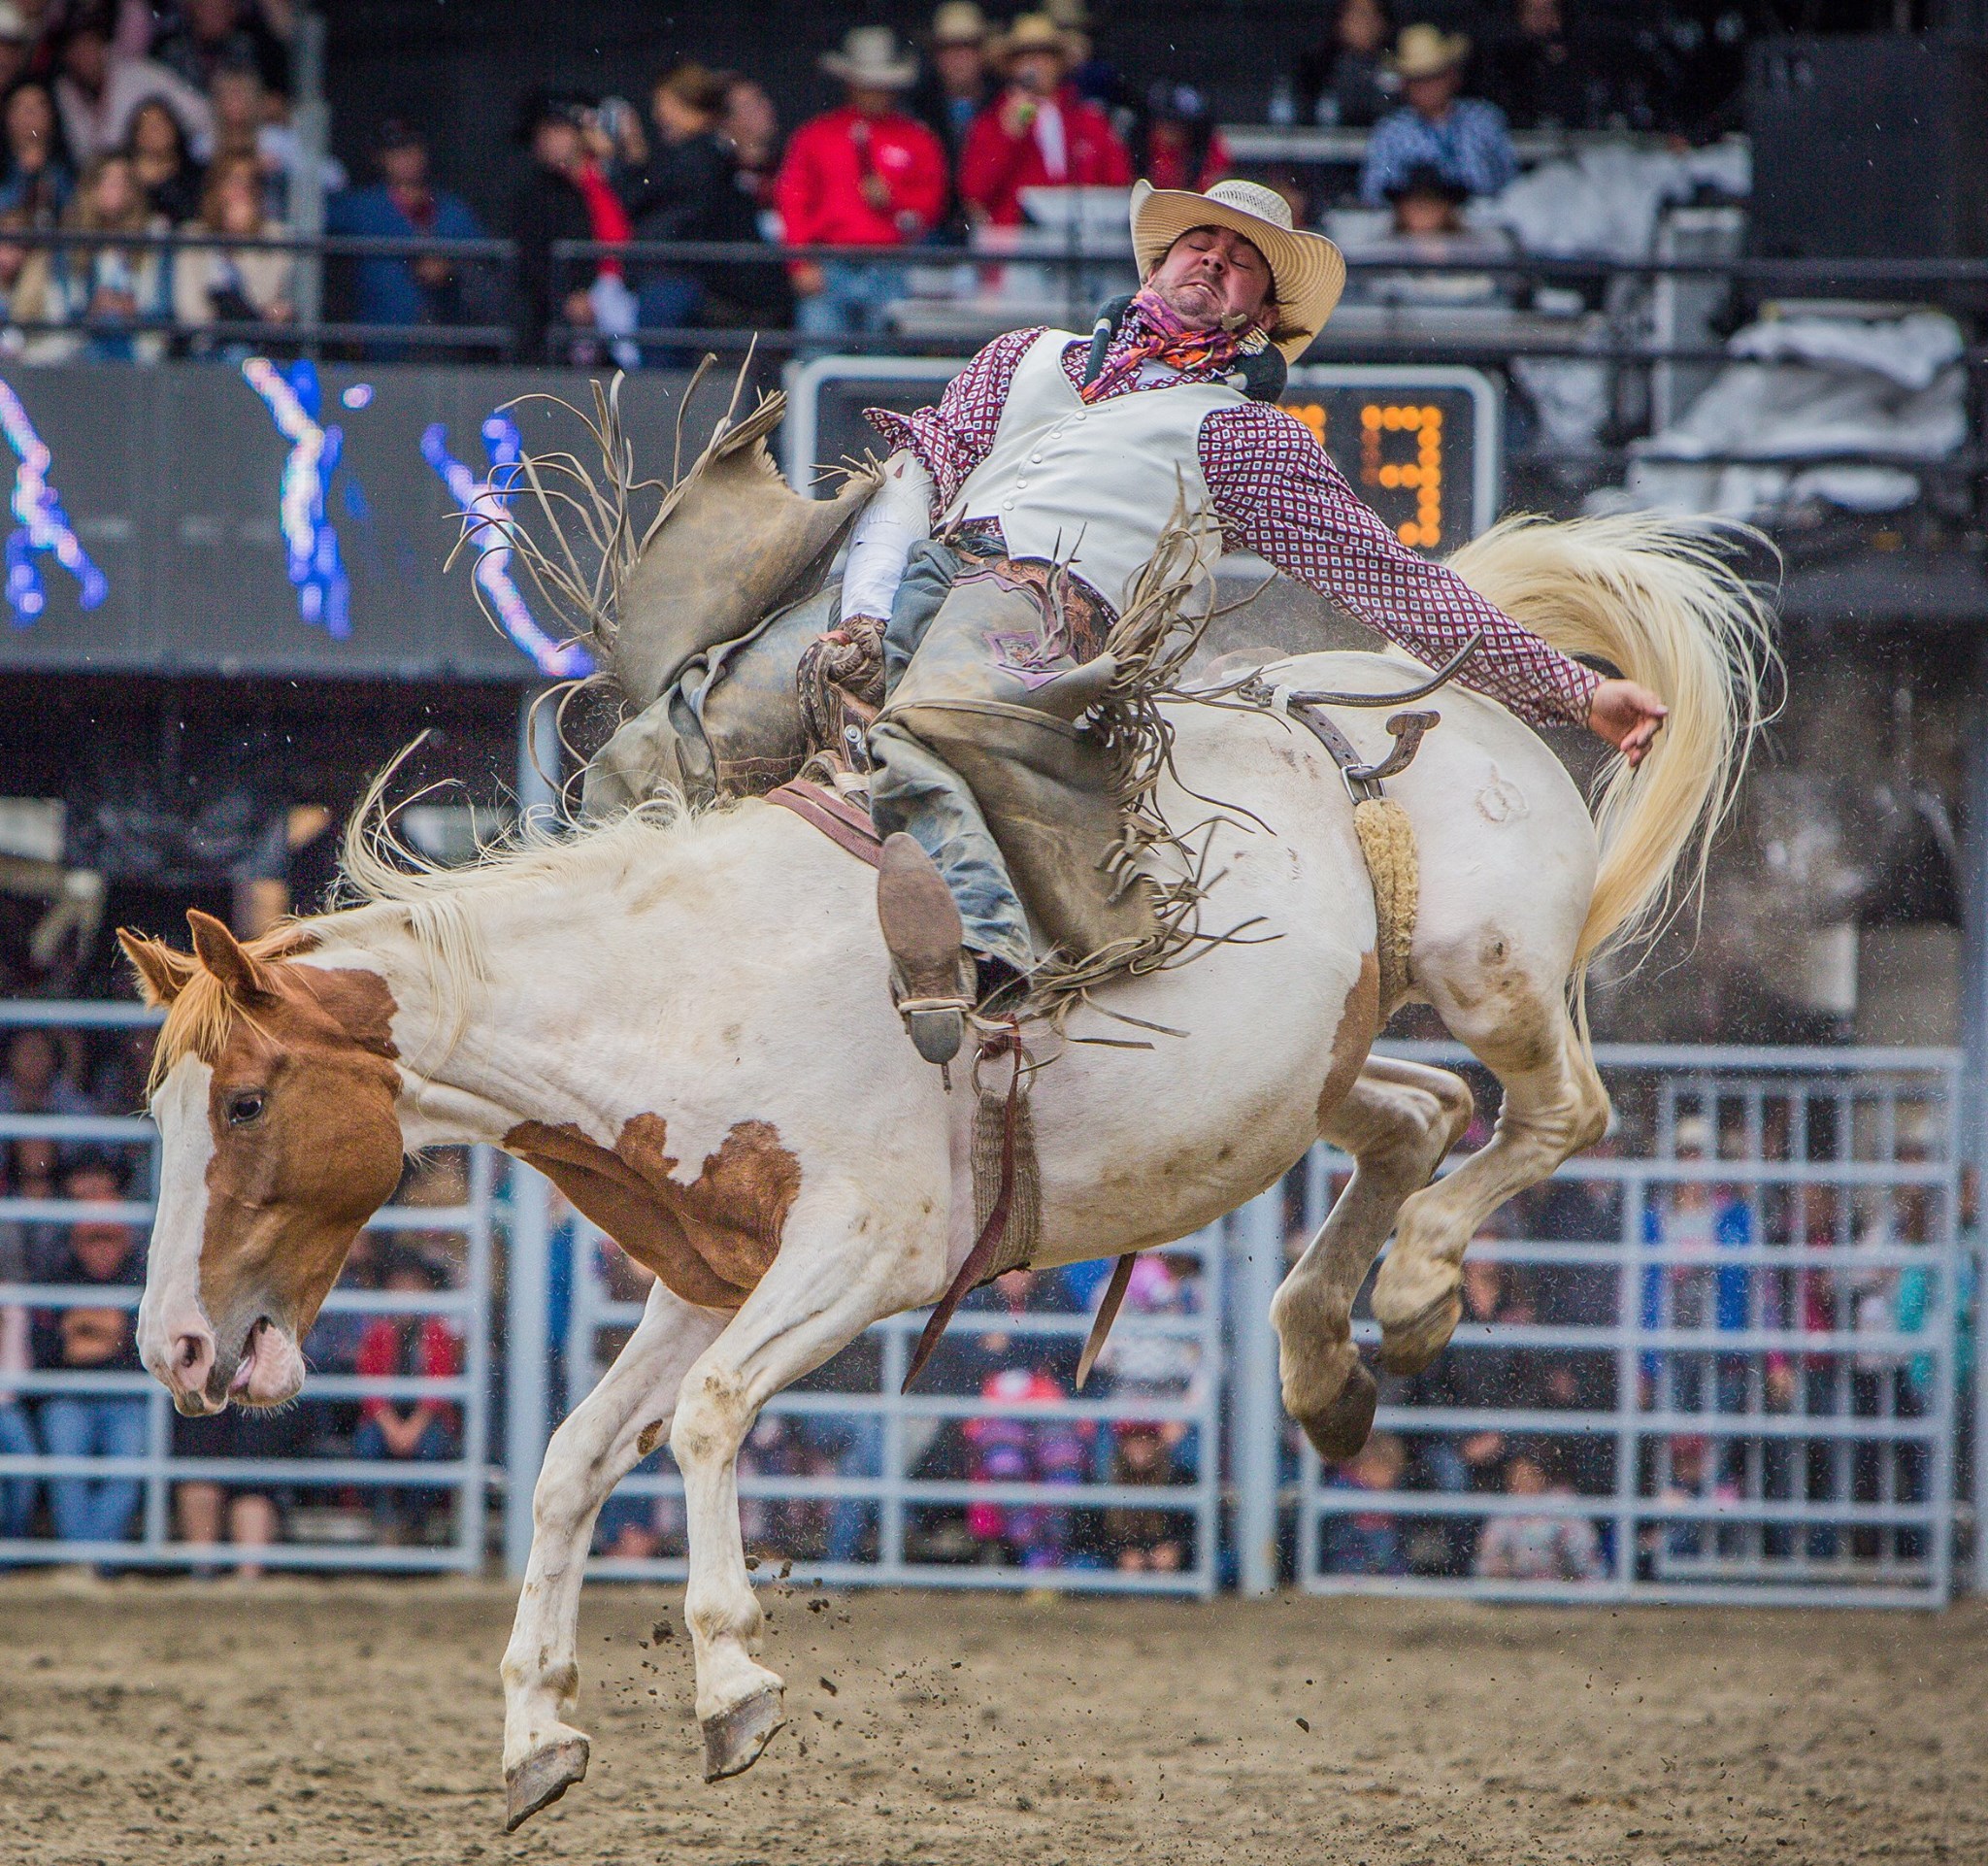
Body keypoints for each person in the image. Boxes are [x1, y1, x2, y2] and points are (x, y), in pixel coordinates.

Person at [839, 177, 1666, 1065]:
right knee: (721, 691)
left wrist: (1578, 692)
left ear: (1259, 315)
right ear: (1159, 264)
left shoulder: (1246, 436)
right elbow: (916, 475)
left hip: (1049, 616)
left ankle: (981, 945)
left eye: (1242, 264)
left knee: (935, 715)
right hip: (914, 576)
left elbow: (1391, 584)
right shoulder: (1022, 353)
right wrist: (860, 611)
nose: (1215, 262)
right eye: (1201, 245)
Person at [775, 28, 945, 344]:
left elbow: (931, 203)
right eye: (868, 85)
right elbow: (792, 200)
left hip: (891, 264)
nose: (876, 93)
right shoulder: (816, 136)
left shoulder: (917, 139)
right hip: (829, 264)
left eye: (882, 85)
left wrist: (893, 199)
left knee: (885, 363)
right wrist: (799, 263)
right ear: (851, 84)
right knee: (820, 352)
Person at [620, 61, 785, 342]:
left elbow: (635, 198)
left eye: (664, 103)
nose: (658, 115)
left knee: (665, 373)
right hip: (697, 283)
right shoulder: (707, 153)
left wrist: (632, 156)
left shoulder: (700, 155)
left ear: (686, 103)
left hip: (682, 279)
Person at [34, 1157, 147, 1551]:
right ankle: (87, 1561)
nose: (101, 1249)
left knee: (129, 1469)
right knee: (65, 1468)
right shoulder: (57, 1270)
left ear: (126, 1238)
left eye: (109, 1238)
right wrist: (112, 1334)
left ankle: (86, 1561)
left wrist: (84, 1333)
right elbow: (46, 1350)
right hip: (69, 1396)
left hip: (128, 1397)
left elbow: (142, 1350)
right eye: (92, 1239)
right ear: (77, 1240)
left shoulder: (142, 1272)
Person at [956, 13, 1130, 229]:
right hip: (1017, 247)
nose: (1036, 63)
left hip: (1084, 244)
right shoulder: (990, 123)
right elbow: (975, 194)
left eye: (1045, 54)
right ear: (1011, 66)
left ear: (1060, 62)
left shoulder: (1089, 120)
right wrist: (1007, 137)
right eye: (1025, 55)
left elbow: (1119, 185)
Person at [324, 118, 483, 341]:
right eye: (395, 152)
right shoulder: (362, 207)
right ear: (380, 158)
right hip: (383, 340)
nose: (405, 159)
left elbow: (484, 263)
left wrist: (450, 268)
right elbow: (313, 220)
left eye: (411, 149)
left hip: (445, 337)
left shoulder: (452, 210)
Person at [511, 91, 638, 366]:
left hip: (628, 285)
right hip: (573, 302)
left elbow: (637, 216)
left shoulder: (608, 174)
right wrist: (568, 295)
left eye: (558, 130)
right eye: (543, 134)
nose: (550, 141)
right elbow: (533, 258)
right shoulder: (538, 192)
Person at [352, 1246, 462, 1543]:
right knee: (367, 1447)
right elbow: (369, 1385)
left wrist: (412, 1428)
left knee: (432, 1449)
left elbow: (440, 1384)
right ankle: (385, 1524)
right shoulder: (378, 1331)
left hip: (425, 1421)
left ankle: (414, 1525)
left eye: (413, 1286)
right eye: (399, 1286)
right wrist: (392, 1426)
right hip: (385, 1420)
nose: (406, 1294)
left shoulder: (437, 1331)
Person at [1358, 24, 1517, 207]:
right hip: (1412, 229)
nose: (1427, 87)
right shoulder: (1390, 131)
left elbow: (1512, 186)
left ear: (1453, 75)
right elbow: (1375, 196)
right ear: (1405, 85)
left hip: (1481, 225)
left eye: (1435, 76)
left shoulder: (1484, 119)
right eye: (1418, 79)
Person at [171, 147, 291, 350]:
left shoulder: (274, 235)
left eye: (248, 183)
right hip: (205, 344)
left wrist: (242, 240)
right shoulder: (192, 235)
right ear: (216, 188)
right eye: (232, 181)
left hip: (256, 343)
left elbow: (265, 300)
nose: (240, 190)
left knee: (240, 352)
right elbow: (188, 309)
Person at [52, 17, 211, 170]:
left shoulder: (138, 73)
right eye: (76, 51)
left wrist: (189, 156)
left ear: (103, 47)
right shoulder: (64, 92)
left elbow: (200, 112)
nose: (85, 57)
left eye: (89, 47)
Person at [57, 146, 168, 359]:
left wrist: (131, 310)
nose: (115, 188)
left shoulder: (154, 234)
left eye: (122, 181)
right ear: (92, 188)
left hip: (141, 348)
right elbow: (65, 307)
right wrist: (94, 308)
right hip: (85, 348)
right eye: (107, 180)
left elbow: (162, 305)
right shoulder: (72, 240)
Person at [909, 0, 991, 220]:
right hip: (936, 225)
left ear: (982, 53)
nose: (958, 59)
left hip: (991, 222)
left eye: (967, 48)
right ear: (935, 55)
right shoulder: (917, 105)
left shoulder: (1001, 101)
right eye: (947, 49)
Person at [1473, 1448, 1605, 1581]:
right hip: (1516, 1590)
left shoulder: (1563, 1502)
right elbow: (1484, 1562)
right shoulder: (1504, 1511)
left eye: (1529, 1474)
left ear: (1542, 1475)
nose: (1523, 1481)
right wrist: (1502, 1566)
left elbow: (1587, 1556)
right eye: (1516, 1475)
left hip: (1563, 1586)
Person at [1296, 0, 1397, 128]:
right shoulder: (1319, 66)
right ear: (1341, 22)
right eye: (1357, 15)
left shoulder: (1397, 65)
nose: (1365, 23)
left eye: (1371, 16)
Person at [1320, 1429, 1408, 1575]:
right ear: (1367, 1466)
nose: (1389, 1479)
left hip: (1380, 1554)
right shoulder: (1345, 1485)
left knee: (1391, 1554)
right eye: (1385, 1470)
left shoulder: (1391, 1491)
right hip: (1349, 1550)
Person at [1133, 83, 1229, 195]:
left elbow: (1217, 190)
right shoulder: (1139, 146)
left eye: (1179, 126)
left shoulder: (1208, 150)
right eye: (1165, 123)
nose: (1171, 132)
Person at [123, 93, 198, 222]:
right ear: (136, 135)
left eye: (161, 124)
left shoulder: (196, 176)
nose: (156, 132)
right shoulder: (125, 177)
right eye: (148, 126)